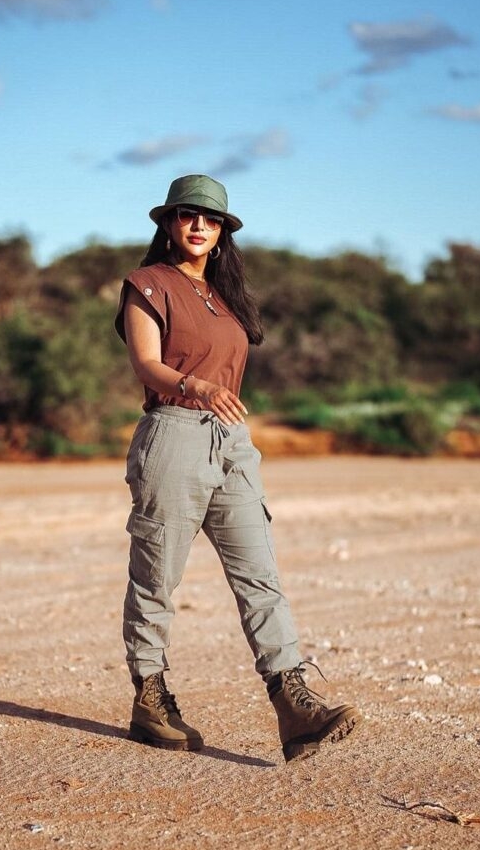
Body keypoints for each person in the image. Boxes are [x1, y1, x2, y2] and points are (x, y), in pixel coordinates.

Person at [114, 174, 361, 762]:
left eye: (211, 219)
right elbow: (146, 362)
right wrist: (194, 384)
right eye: (186, 215)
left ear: (223, 232)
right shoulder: (146, 285)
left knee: (260, 576)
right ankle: (150, 696)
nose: (198, 225)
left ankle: (293, 703)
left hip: (232, 443)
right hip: (173, 433)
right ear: (168, 223)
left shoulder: (226, 299)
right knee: (157, 576)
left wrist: (222, 411)